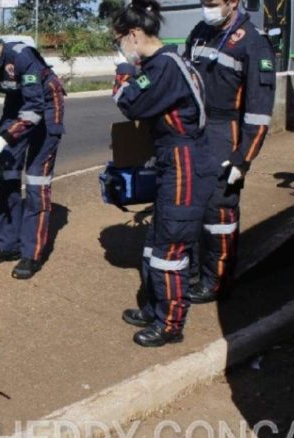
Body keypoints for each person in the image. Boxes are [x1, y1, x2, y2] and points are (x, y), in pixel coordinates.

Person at [113, 0, 218, 347]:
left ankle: (170, 324)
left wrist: (122, 76)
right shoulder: (164, 62)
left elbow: (130, 102)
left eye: (120, 41)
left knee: (170, 247)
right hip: (173, 159)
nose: (121, 49)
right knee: (156, 240)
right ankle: (154, 307)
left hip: (185, 163)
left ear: (133, 34)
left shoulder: (164, 67)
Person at [0, 20, 66, 280]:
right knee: (6, 177)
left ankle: (31, 254)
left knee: (35, 183)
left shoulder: (21, 57)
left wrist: (3, 139)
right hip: (16, 103)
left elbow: (34, 110)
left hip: (45, 103)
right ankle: (9, 245)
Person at [185, 0, 276, 303]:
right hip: (196, 131)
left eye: (213, 3)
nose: (206, 8)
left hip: (227, 134)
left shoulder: (253, 43)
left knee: (219, 211)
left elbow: (259, 113)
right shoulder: (199, 32)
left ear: (233, 2)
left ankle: (217, 280)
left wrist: (243, 158)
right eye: (203, 3)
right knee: (192, 207)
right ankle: (194, 272)